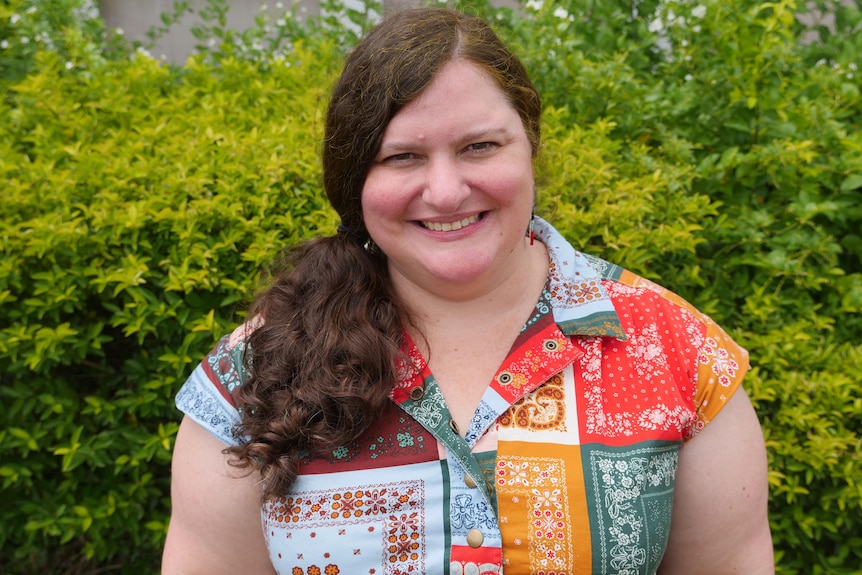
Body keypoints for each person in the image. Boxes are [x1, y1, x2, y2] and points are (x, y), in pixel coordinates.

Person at [162, 7, 774, 575]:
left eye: (479, 146)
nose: (447, 191)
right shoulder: (254, 370)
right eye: (402, 156)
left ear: (530, 146)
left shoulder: (675, 351)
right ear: (355, 181)